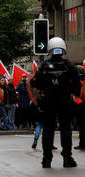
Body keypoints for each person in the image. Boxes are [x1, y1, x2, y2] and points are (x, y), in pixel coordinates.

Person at [30, 37, 81, 168]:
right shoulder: (69, 66)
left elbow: (35, 83)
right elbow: (77, 85)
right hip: (64, 101)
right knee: (66, 130)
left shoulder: (45, 66)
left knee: (48, 130)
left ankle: (46, 159)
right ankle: (67, 157)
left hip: (48, 101)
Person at [73, 65, 84, 150]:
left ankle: (82, 143)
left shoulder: (78, 81)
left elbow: (76, 93)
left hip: (80, 104)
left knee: (81, 125)